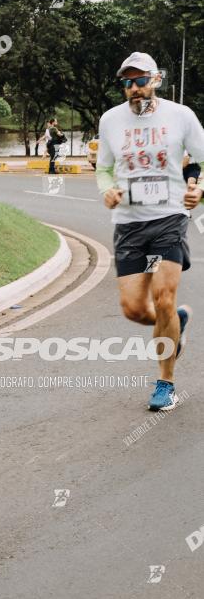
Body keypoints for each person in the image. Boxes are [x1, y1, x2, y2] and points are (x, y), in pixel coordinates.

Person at [96, 51, 204, 412]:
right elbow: (103, 169)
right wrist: (106, 190)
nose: (134, 88)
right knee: (134, 310)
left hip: (169, 217)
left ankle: (166, 383)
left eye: (141, 80)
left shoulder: (181, 116)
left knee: (164, 300)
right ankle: (178, 322)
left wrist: (199, 188)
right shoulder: (110, 120)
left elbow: (202, 158)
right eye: (127, 82)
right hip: (128, 224)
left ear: (156, 79)